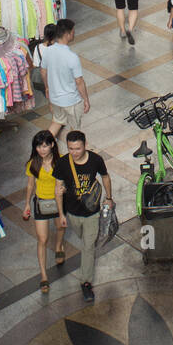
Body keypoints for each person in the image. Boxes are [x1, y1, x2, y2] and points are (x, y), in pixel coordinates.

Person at [53, 130, 112, 303]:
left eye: (77, 148)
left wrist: (109, 198)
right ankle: (86, 275)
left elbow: (106, 177)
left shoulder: (95, 160)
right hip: (73, 212)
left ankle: (85, 282)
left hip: (92, 212)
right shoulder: (63, 163)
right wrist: (61, 214)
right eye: (71, 148)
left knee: (88, 246)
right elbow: (58, 189)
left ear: (85, 145)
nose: (74, 152)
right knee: (82, 238)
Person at [22, 130, 65, 293]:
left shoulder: (59, 162)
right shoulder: (33, 163)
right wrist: (27, 204)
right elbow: (30, 185)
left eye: (45, 146)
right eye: (39, 146)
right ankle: (44, 276)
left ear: (52, 145)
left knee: (60, 227)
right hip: (40, 203)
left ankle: (59, 246)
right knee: (42, 239)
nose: (42, 149)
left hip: (58, 202)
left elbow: (64, 182)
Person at [40, 18, 89, 138]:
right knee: (76, 131)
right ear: (67, 34)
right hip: (71, 100)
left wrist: (47, 88)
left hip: (55, 99)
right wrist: (86, 99)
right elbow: (79, 81)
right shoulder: (72, 57)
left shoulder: (47, 52)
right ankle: (77, 152)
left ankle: (44, 145)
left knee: (56, 122)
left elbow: (43, 72)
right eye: (73, 31)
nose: (74, 33)